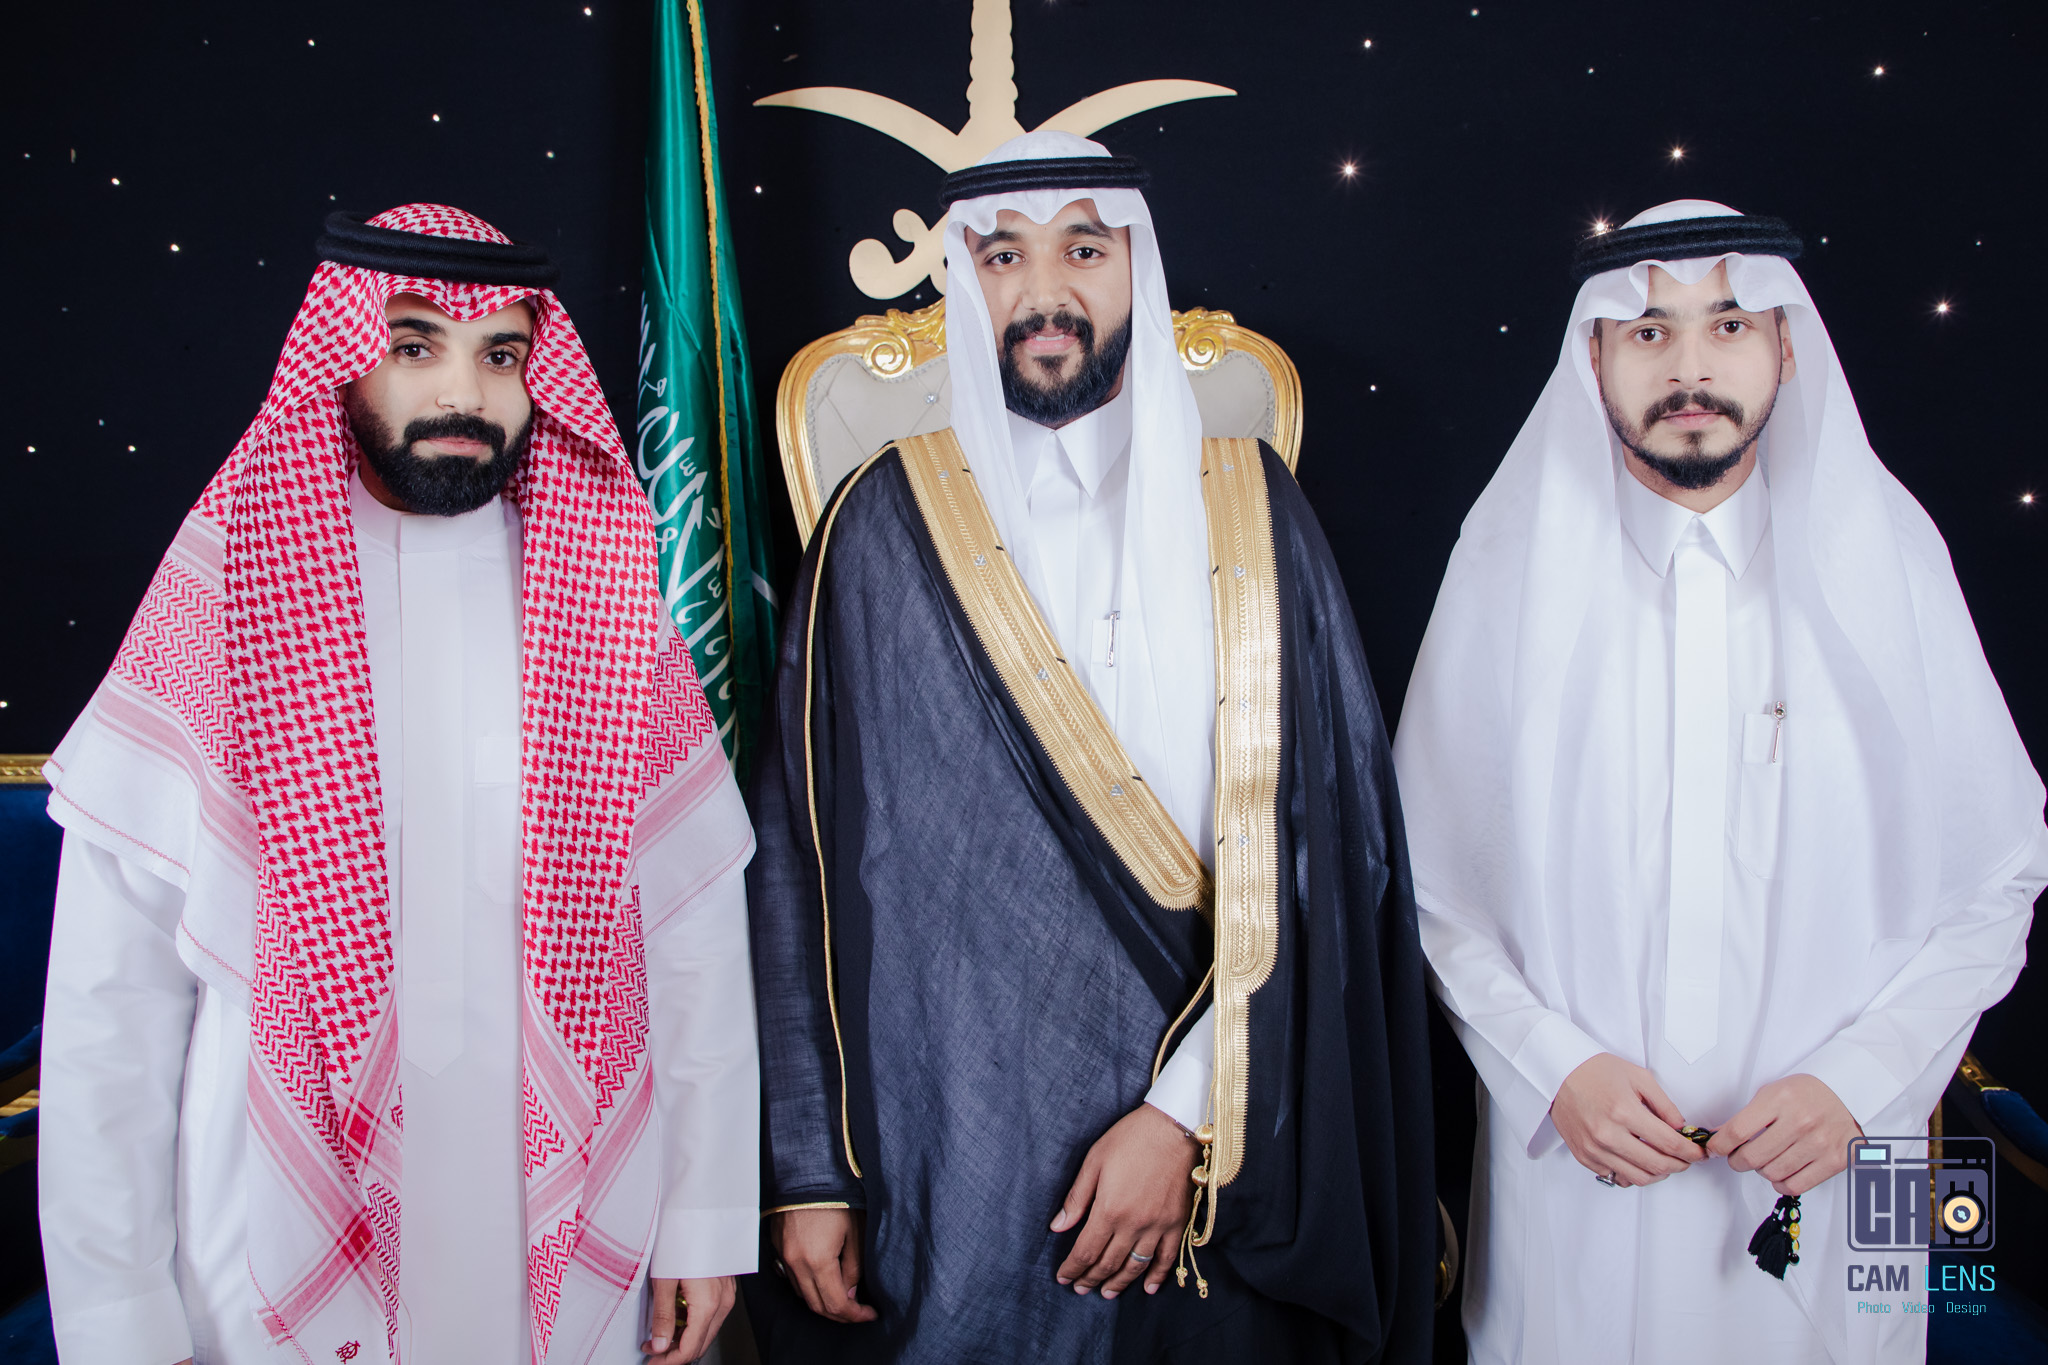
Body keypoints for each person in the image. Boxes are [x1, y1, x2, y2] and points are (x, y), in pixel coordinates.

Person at [743, 131, 1436, 1364]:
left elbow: (1329, 854)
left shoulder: (1250, 506)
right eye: (1002, 256)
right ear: (961, 281)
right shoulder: (878, 521)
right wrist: (808, 1171)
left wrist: (1182, 1119)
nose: (1043, 290)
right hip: (946, 1148)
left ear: (1137, 269)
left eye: (1082, 249)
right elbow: (796, 860)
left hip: (1226, 1149)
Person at [37, 204, 760, 1365]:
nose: (464, 392)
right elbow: (110, 1003)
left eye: (502, 355)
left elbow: (690, 939)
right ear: (341, 360)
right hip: (269, 1215)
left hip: (559, 1208)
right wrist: (117, 1316)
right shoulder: (223, 600)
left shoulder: (602, 603)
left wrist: (705, 1220)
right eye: (415, 345)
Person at [1394, 200, 2045, 1363]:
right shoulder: (1506, 576)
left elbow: (1997, 875)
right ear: (1592, 357)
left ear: (1786, 348)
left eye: (1728, 325)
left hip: (1841, 1175)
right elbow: (1425, 882)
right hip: (1579, 1181)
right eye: (1647, 332)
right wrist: (1553, 1070)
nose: (1688, 368)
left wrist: (1858, 1084)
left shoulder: (1887, 566)